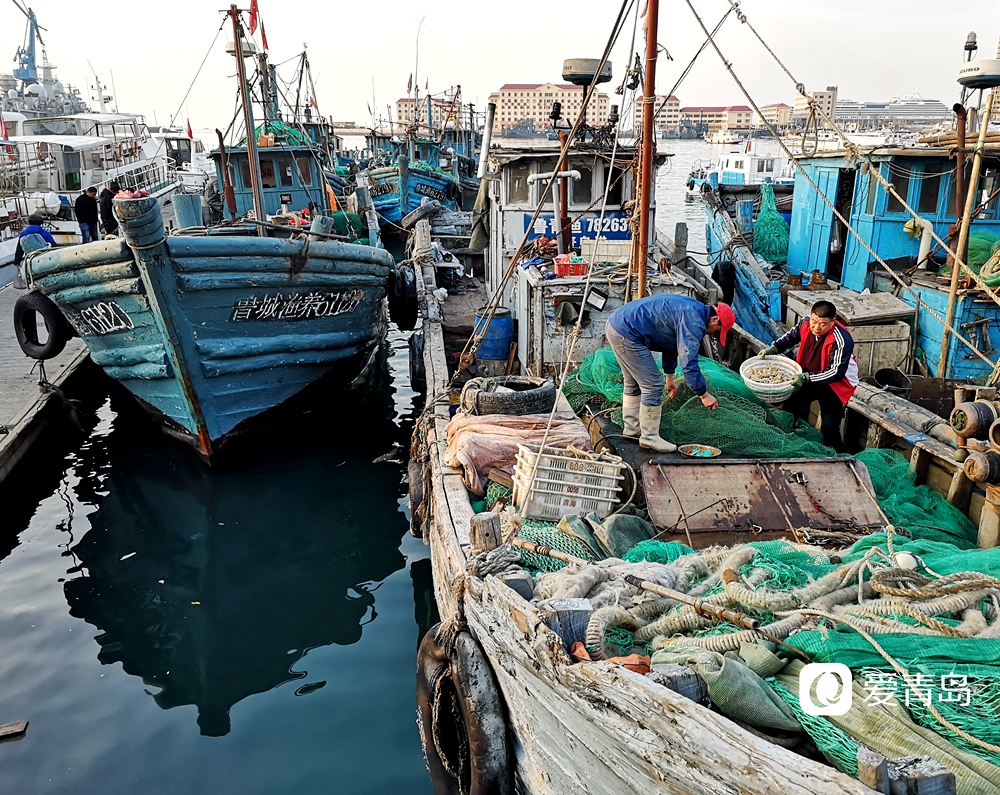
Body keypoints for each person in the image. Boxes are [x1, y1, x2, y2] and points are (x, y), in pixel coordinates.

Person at [606, 294, 736, 452]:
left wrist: (670, 376)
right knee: (653, 384)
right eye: (717, 331)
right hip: (628, 333)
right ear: (715, 319)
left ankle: (632, 430)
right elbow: (689, 364)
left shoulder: (694, 310)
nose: (713, 334)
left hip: (616, 325)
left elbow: (671, 344)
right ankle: (649, 438)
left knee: (633, 382)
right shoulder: (694, 322)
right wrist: (703, 394)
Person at [760, 299, 859, 452]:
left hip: (836, 386)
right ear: (811, 316)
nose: (816, 327)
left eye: (823, 324)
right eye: (814, 321)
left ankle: (837, 457)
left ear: (833, 321)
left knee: (829, 427)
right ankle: (785, 438)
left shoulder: (842, 339)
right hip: (810, 374)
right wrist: (773, 349)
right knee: (790, 404)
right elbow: (790, 337)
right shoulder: (805, 323)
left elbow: (836, 372)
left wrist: (806, 378)